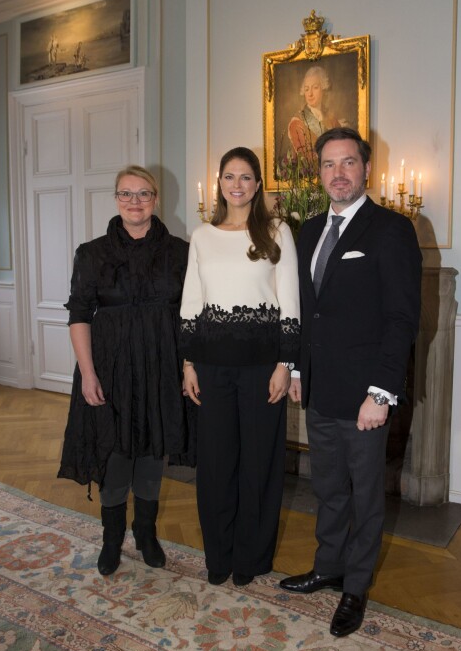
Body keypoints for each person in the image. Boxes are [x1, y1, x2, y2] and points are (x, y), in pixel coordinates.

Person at [280, 127, 422, 637]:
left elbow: (402, 320)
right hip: (318, 389)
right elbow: (303, 310)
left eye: (348, 163)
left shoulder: (392, 229)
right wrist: (297, 370)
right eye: (328, 165)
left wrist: (381, 393)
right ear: (318, 173)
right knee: (327, 488)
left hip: (365, 396)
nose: (338, 173)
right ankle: (328, 566)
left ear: (366, 169)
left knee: (365, 496)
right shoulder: (309, 230)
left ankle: (355, 588)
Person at [58, 165, 191, 576]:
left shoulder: (181, 252)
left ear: (156, 199)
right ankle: (111, 539)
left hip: (161, 368)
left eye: (144, 194)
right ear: (116, 199)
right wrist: (88, 373)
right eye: (126, 194)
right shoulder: (92, 253)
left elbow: (192, 316)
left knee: (153, 453)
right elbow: (79, 315)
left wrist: (188, 368)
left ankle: (146, 535)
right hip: (109, 370)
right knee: (113, 453)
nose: (135, 201)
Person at [181, 147, 300, 588]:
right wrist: (189, 362)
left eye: (246, 177)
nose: (237, 185)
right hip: (211, 367)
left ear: (257, 183)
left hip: (261, 369)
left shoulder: (277, 231)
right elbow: (192, 303)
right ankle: (219, 554)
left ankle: (250, 557)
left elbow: (290, 302)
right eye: (229, 176)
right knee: (215, 464)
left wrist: (285, 364)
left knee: (259, 465)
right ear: (219, 183)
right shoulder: (202, 235)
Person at [282, 65, 345, 176]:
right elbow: (307, 159)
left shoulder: (332, 119)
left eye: (315, 87)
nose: (310, 94)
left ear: (323, 89)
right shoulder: (297, 122)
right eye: (307, 89)